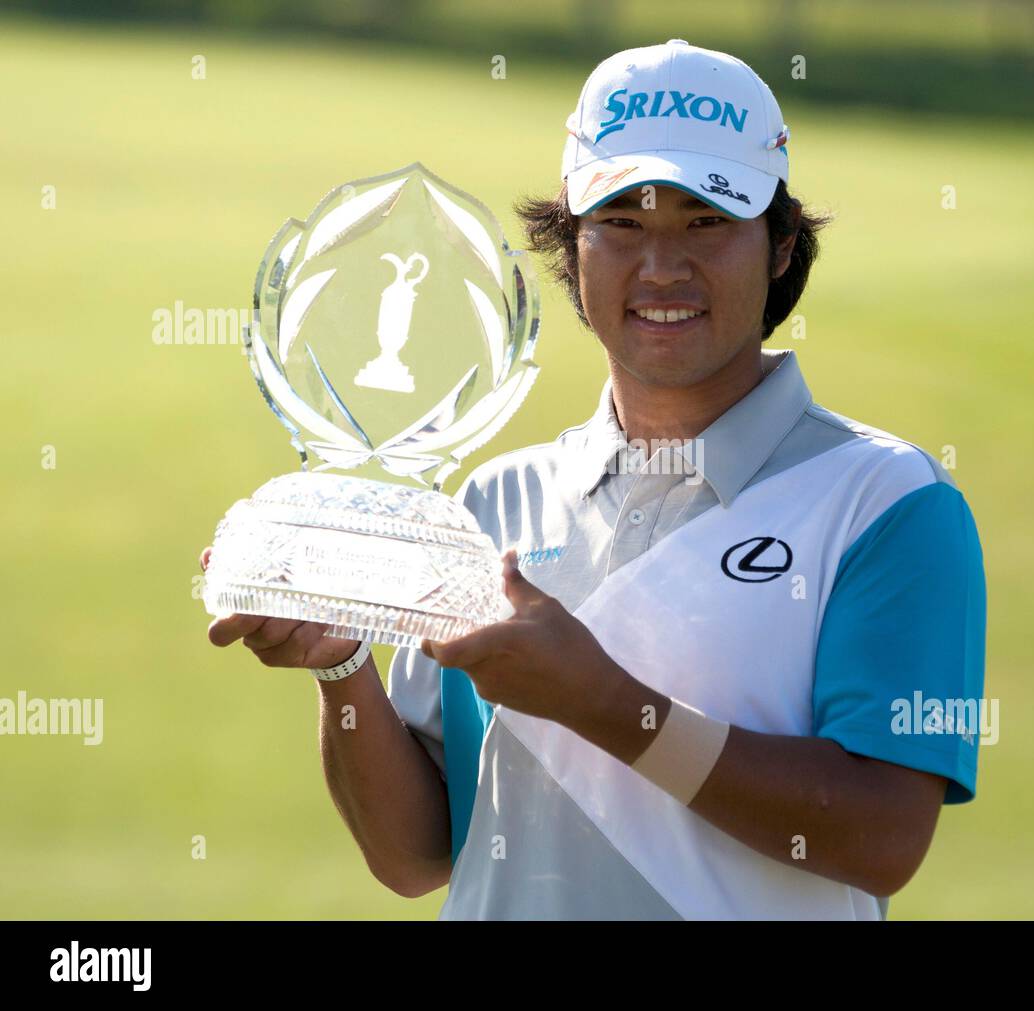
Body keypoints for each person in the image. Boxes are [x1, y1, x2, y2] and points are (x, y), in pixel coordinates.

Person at [204, 38, 986, 920]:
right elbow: (417, 854)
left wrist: (605, 705)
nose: (661, 267)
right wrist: (342, 667)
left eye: (706, 221)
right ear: (570, 248)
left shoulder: (886, 502)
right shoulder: (494, 502)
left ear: (778, 246)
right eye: (621, 223)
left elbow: (881, 837)